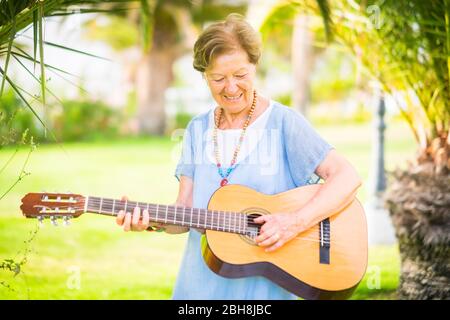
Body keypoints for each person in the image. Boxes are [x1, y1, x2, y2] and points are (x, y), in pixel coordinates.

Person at [116, 14, 362, 300]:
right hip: (200, 288)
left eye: (240, 75)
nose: (231, 88)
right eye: (218, 78)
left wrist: (294, 221)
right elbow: (183, 212)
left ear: (255, 66)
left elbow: (347, 177)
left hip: (265, 292)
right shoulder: (197, 129)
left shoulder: (283, 123)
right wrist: (151, 222)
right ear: (205, 76)